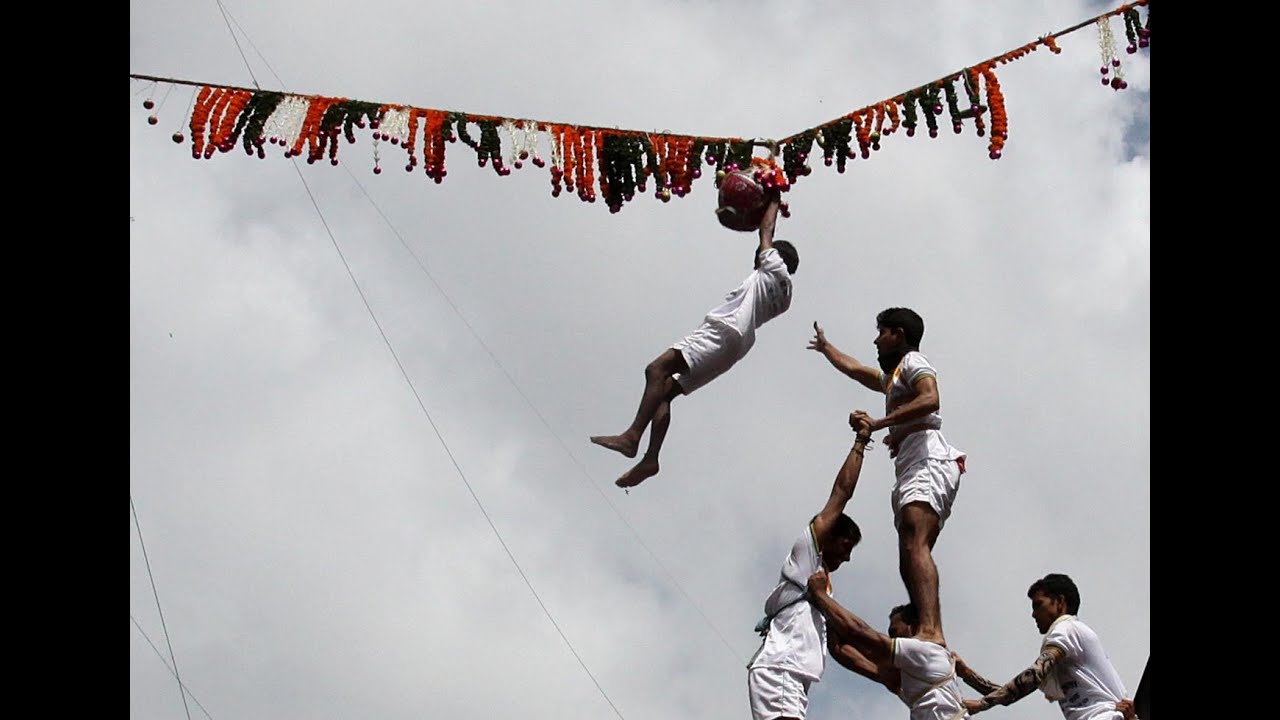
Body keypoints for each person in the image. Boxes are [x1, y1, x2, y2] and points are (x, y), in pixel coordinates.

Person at [591, 193, 798, 488]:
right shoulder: (786, 297)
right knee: (663, 392)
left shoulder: (773, 266)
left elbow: (767, 231)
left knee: (656, 369)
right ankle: (651, 459)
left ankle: (632, 436)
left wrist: (774, 196)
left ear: (779, 257)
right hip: (735, 347)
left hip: (722, 330)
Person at [807, 309, 965, 646]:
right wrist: (826, 348)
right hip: (913, 464)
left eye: (881, 333)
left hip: (929, 459)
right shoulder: (892, 379)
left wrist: (880, 424)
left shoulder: (913, 362)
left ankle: (931, 630)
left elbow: (930, 398)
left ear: (899, 334)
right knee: (909, 550)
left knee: (915, 541)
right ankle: (925, 626)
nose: (876, 340)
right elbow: (855, 369)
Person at [746, 413, 871, 720]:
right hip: (781, 669)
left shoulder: (822, 587)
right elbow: (841, 494)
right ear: (828, 538)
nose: (847, 558)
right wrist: (861, 442)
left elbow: (841, 649)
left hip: (793, 677)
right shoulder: (807, 559)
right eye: (845, 547)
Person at [953, 573, 1136, 720]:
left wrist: (982, 704)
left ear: (1060, 603)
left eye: (1038, 605)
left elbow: (1032, 676)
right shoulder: (1070, 641)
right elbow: (1013, 692)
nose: (1033, 614)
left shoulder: (1066, 628)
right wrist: (967, 674)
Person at [803, 575, 969, 720]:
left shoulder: (924, 651)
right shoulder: (905, 679)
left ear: (913, 627)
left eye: (895, 632)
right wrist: (824, 610)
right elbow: (841, 651)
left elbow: (858, 632)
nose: (892, 638)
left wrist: (820, 595)